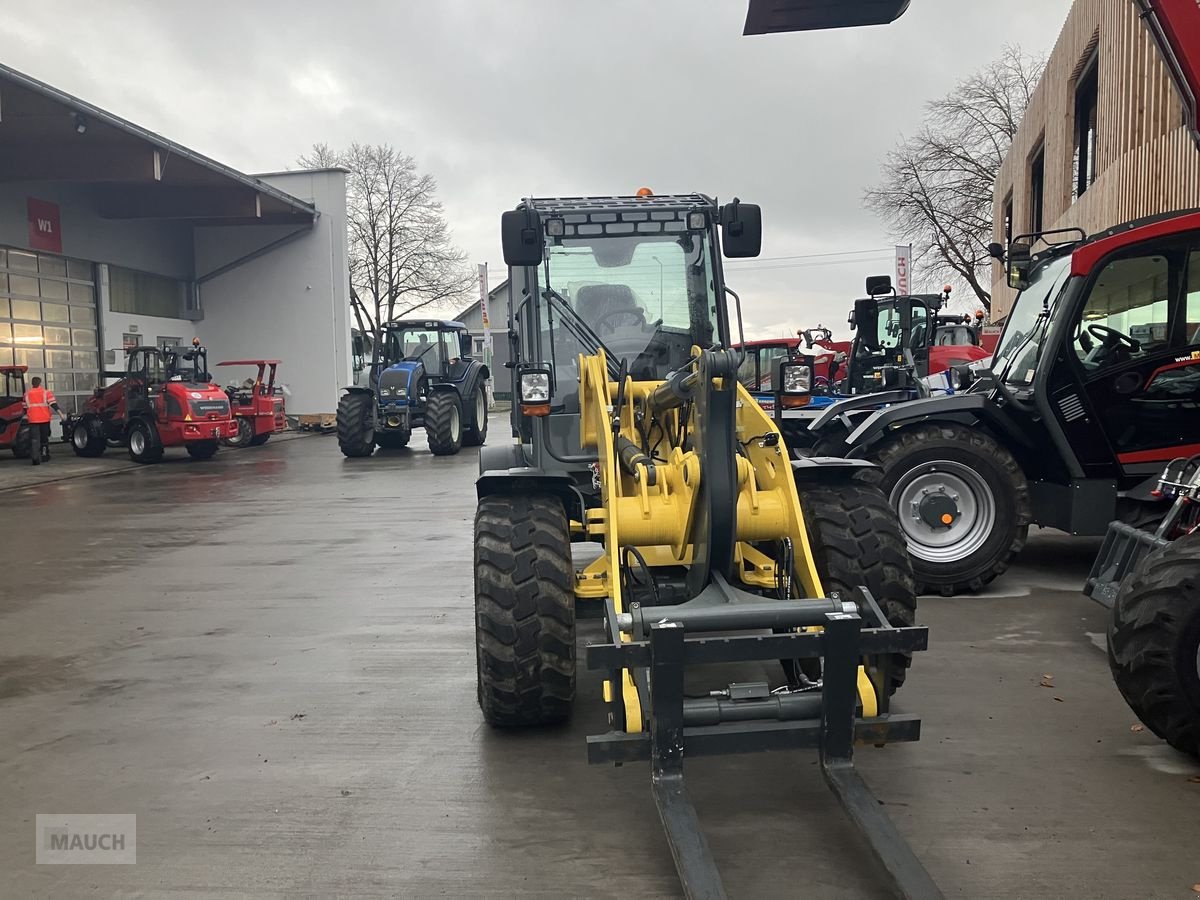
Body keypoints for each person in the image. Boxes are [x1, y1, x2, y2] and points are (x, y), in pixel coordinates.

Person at [22, 376, 66, 466]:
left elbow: (25, 408)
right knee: (44, 439)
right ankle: (44, 455)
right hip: (44, 420)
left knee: (34, 439)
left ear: (32, 383)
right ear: (40, 383)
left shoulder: (26, 394)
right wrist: (61, 414)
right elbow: (53, 404)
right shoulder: (46, 393)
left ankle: (35, 458)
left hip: (33, 420)